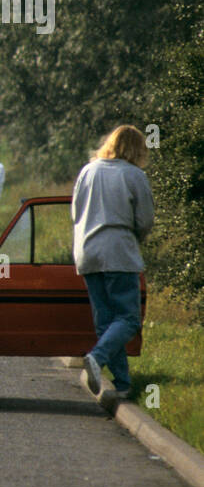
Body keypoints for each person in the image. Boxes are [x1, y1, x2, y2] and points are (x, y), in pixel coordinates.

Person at [72, 125, 154, 400]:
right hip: (118, 250)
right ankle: (97, 357)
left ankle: (122, 384)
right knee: (129, 319)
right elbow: (145, 220)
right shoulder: (134, 174)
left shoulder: (88, 170)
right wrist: (135, 238)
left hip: (87, 250)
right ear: (136, 149)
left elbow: (75, 211)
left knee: (106, 320)